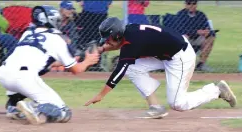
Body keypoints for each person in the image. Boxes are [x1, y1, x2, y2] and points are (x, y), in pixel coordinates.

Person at [84, 17, 237, 119]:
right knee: (133, 68)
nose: (107, 42)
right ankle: (156, 107)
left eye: (108, 40)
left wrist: (101, 95)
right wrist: (102, 49)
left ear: (117, 35)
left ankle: (217, 91)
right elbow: (119, 46)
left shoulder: (131, 43)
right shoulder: (129, 31)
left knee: (178, 103)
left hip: (180, 57)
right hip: (168, 50)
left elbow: (118, 73)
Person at [0, 5, 100, 124]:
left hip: (4, 74)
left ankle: (13, 107)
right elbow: (76, 69)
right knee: (64, 112)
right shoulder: (56, 39)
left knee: (24, 81)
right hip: (23, 77)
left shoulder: (27, 33)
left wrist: (65, 61)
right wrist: (88, 61)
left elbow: (43, 60)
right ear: (51, 20)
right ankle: (35, 109)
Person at [176, 0, 216, 72]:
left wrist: (207, 31)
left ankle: (201, 64)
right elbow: (180, 30)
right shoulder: (180, 14)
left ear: (196, 5)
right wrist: (197, 32)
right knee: (185, 37)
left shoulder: (201, 15)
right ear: (185, 5)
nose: (191, 5)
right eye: (189, 3)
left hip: (198, 38)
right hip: (186, 38)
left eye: (194, 3)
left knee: (211, 38)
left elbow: (207, 27)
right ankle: (184, 65)